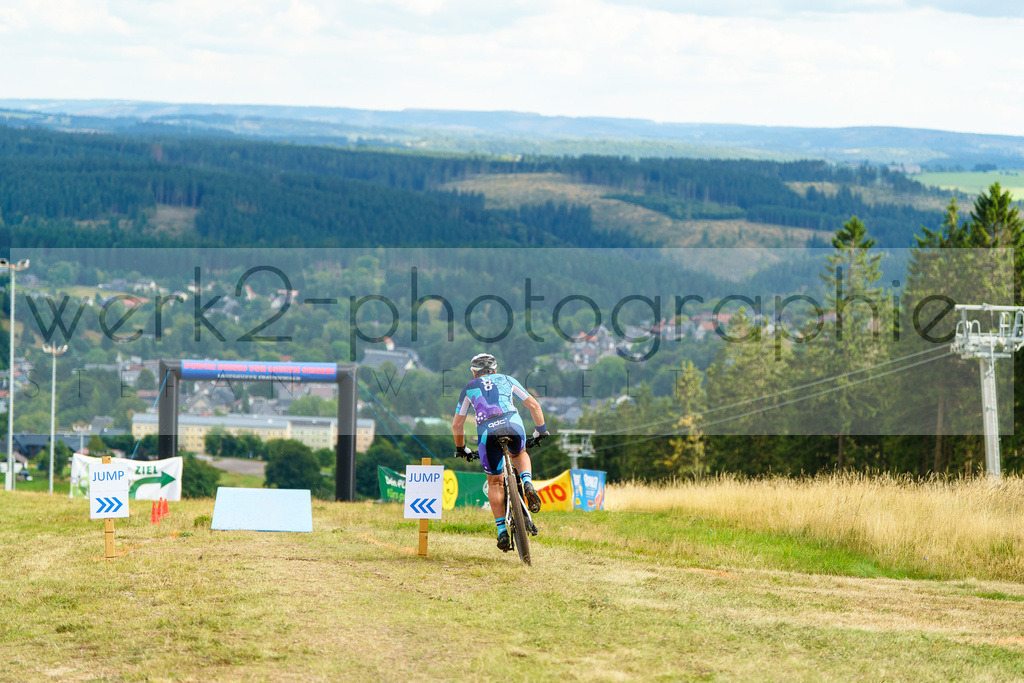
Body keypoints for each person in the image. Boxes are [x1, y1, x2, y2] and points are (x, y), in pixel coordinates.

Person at [451, 353, 550, 551]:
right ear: (495, 369)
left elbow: (457, 425)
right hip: (512, 424)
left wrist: (461, 449)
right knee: (519, 453)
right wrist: (541, 431)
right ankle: (528, 482)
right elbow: (534, 406)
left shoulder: (469, 388)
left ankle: (501, 532)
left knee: (495, 482)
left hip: (487, 432)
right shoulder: (507, 379)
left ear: (473, 373)